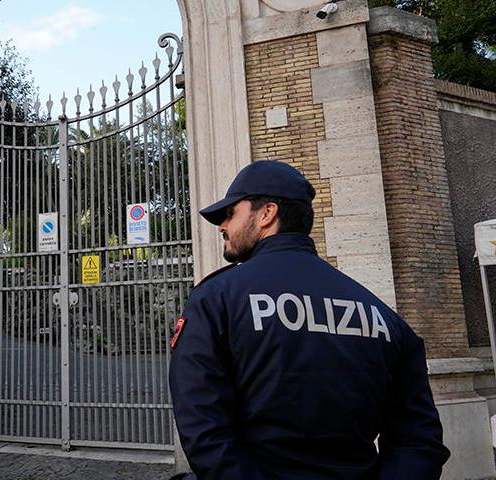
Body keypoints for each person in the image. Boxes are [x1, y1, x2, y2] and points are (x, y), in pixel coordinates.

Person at [169, 160, 450, 480]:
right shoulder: (381, 315)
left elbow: (204, 433)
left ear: (266, 214)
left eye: (231, 213)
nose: (222, 226)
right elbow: (419, 442)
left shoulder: (215, 300)